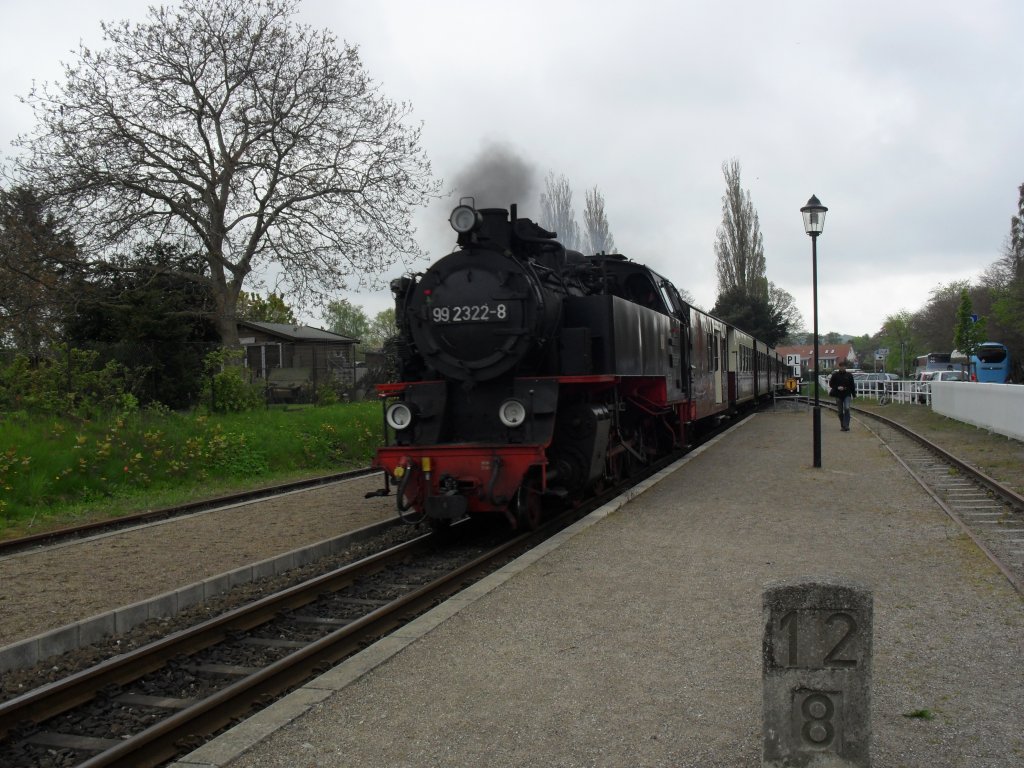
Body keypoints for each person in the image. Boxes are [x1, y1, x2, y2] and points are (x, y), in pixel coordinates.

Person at [828, 360, 856, 431]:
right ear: (839, 367)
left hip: (847, 394)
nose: (842, 368)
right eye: (841, 367)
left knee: (847, 408)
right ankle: (843, 425)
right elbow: (831, 384)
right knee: (840, 411)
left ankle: (846, 425)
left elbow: (852, 385)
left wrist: (854, 395)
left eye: (843, 366)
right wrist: (837, 387)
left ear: (845, 367)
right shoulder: (835, 375)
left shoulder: (849, 375)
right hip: (838, 395)